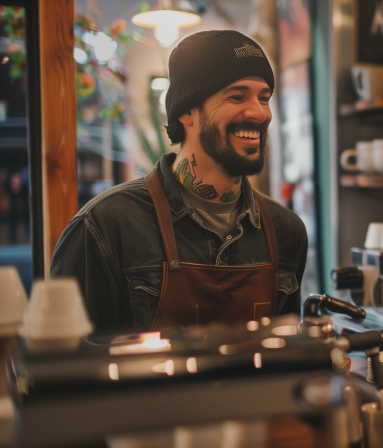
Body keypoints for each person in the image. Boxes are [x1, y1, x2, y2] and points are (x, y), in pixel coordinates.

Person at [51, 31, 307, 335]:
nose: (260, 113)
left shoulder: (285, 232)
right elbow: (69, 369)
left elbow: (286, 362)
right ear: (187, 110)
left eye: (264, 98)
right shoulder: (104, 227)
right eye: (237, 96)